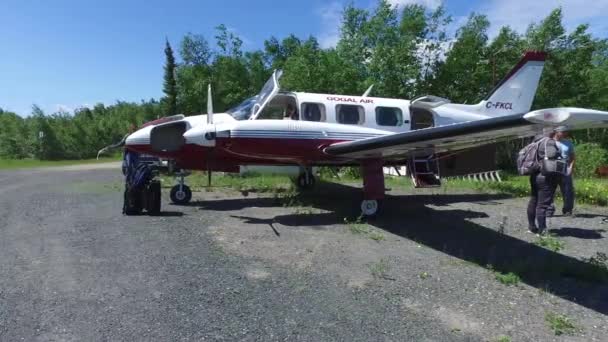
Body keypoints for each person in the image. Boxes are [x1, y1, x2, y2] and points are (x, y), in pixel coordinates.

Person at [527, 130, 563, 235]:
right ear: (551, 132)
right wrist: (558, 154)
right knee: (542, 204)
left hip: (534, 175)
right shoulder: (549, 141)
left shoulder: (535, 142)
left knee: (533, 200)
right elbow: (551, 155)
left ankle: (531, 227)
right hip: (545, 176)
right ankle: (542, 230)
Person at [554, 126, 575, 216]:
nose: (565, 134)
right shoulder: (549, 142)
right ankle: (548, 209)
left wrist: (570, 168)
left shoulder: (568, 143)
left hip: (565, 167)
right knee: (549, 190)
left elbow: (573, 157)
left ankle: (567, 210)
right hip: (552, 167)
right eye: (563, 132)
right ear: (557, 132)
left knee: (568, 190)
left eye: (566, 132)